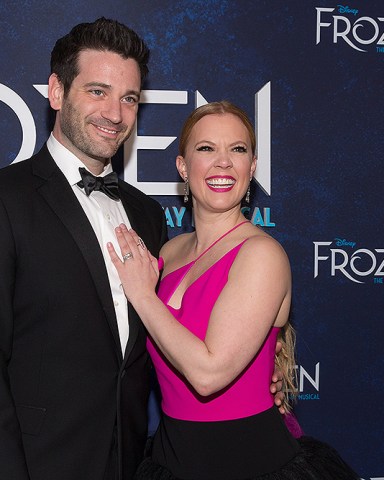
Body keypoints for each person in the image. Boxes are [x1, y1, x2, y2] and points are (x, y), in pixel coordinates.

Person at [0, 20, 284, 480]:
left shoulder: (147, 217)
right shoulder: (7, 200)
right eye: (97, 91)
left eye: (128, 98)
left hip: (136, 458)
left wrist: (263, 370)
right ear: (56, 92)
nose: (114, 112)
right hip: (41, 462)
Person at [108, 101, 360, 479]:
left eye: (237, 150)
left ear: (252, 167)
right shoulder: (169, 252)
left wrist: (143, 294)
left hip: (250, 465)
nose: (223, 162)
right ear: (182, 167)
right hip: (168, 460)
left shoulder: (262, 254)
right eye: (206, 148)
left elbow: (209, 374)